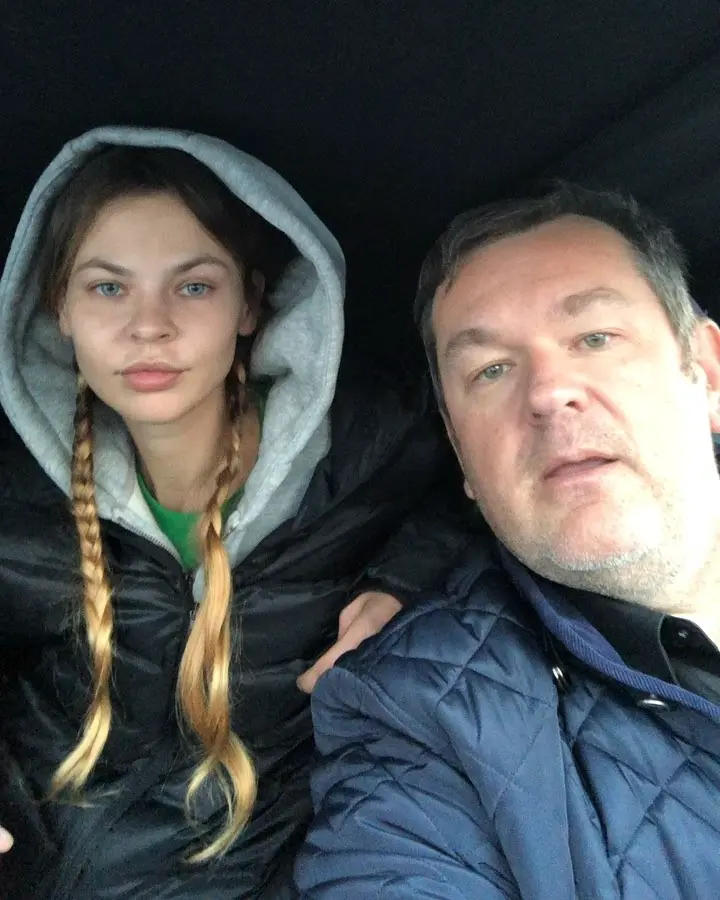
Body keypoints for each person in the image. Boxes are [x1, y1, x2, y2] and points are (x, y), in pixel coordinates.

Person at [0, 127, 470, 900]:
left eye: (193, 287)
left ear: (249, 303)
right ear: (59, 309)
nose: (149, 326)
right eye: (108, 288)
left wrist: (401, 584)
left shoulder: (365, 446)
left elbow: (487, 497)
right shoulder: (20, 497)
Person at [295, 182, 720, 898]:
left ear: (705, 373)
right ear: (460, 451)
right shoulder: (414, 718)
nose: (549, 391)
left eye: (595, 338)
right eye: (491, 370)